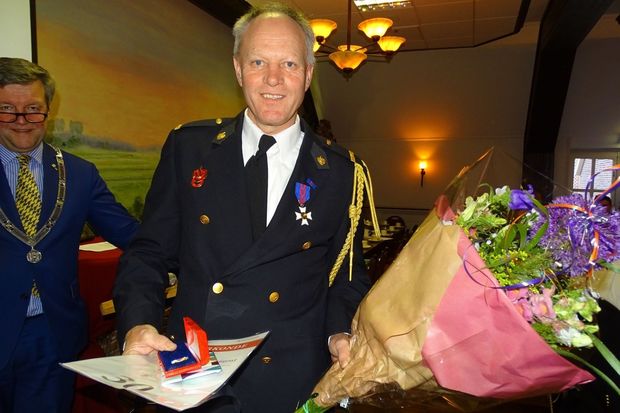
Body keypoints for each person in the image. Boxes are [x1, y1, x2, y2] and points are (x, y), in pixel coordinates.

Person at [113, 3, 371, 412]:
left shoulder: (342, 172)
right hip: (196, 373)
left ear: (308, 74)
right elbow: (148, 253)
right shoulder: (189, 148)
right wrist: (138, 323)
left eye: (289, 63)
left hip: (291, 378)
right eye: (258, 62)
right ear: (238, 69)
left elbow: (347, 276)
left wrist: (339, 333)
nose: (273, 78)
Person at [0, 57, 139, 412]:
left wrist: (201, 250)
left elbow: (131, 235)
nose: (21, 121)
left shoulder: (80, 173)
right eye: (7, 109)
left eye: (33, 109)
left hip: (51, 334)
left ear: (48, 110)